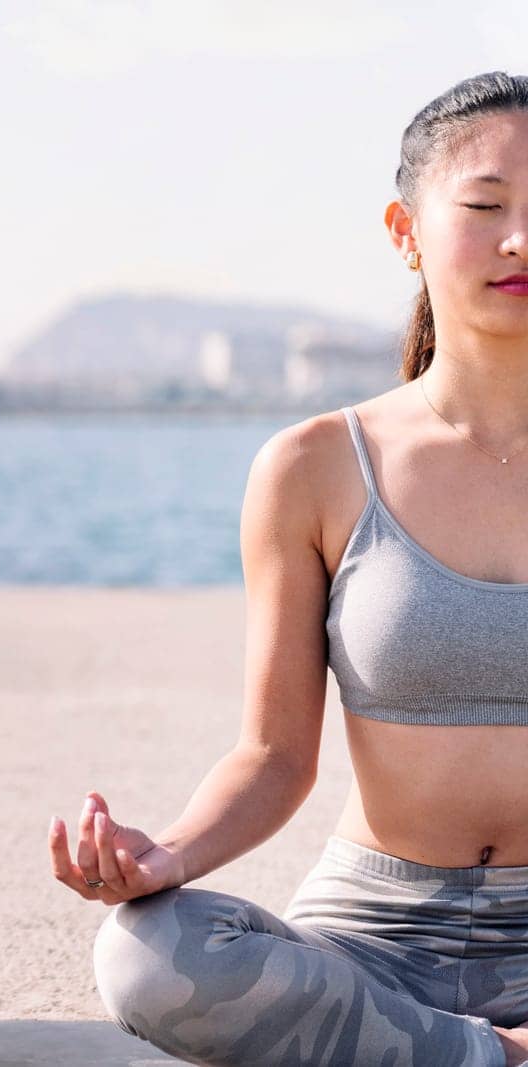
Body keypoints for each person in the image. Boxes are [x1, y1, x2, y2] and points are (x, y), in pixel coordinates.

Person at [48, 71, 528, 1067]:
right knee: (151, 953)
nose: (520, 239)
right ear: (405, 230)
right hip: (372, 940)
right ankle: (486, 1053)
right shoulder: (313, 465)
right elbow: (273, 755)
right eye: (485, 208)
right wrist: (164, 855)